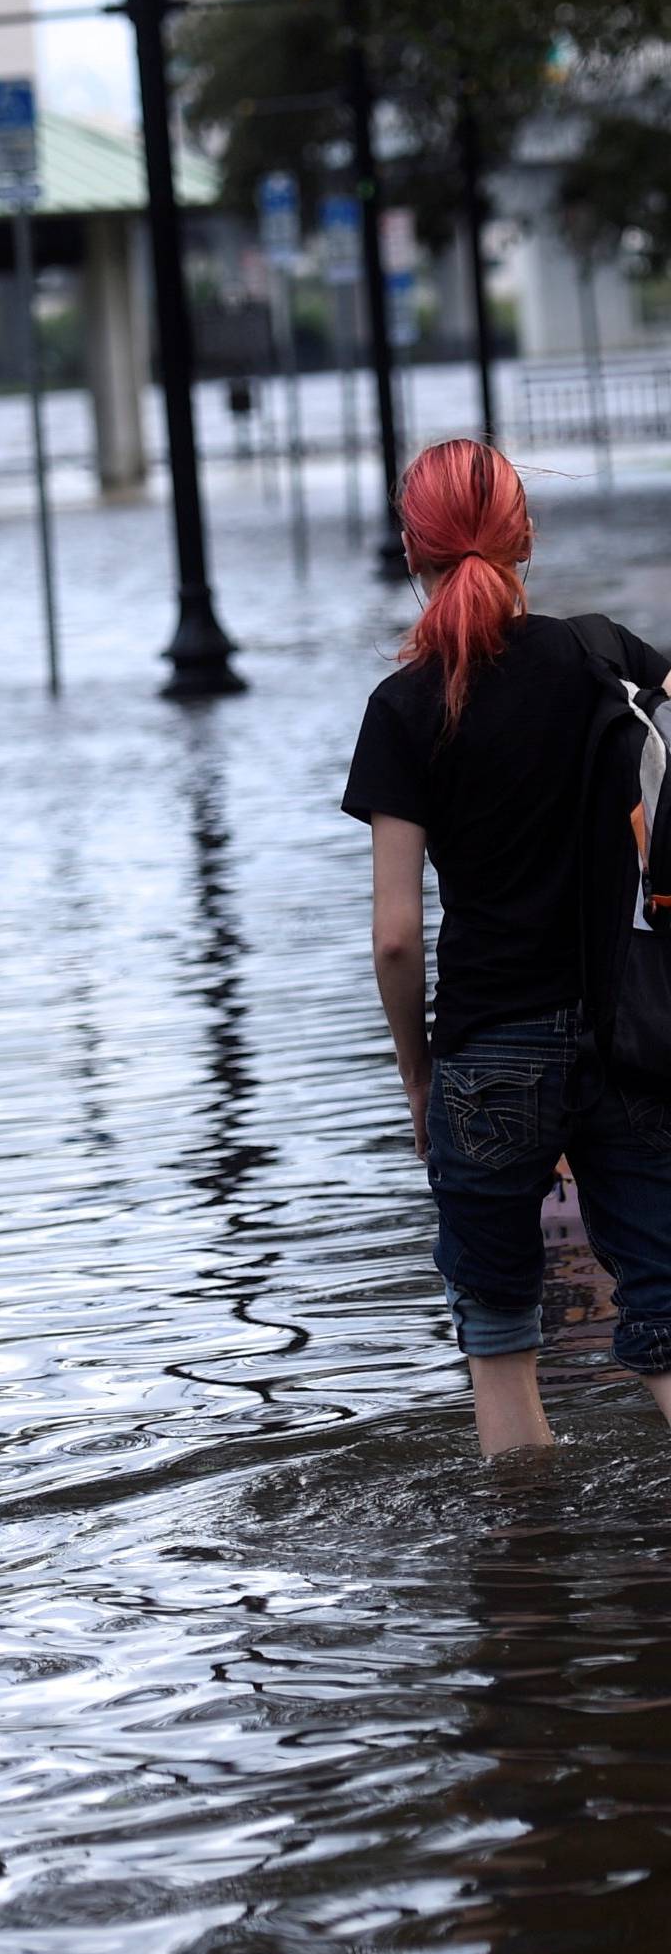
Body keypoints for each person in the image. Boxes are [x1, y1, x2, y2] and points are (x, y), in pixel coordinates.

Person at [343, 438, 671, 1455]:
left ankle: (527, 1588)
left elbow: (398, 937)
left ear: (413, 550)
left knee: (499, 1337)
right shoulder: (602, 655)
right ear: (527, 535)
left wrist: (415, 1078)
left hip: (486, 1053)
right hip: (628, 1030)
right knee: (663, 1321)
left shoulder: (402, 709)